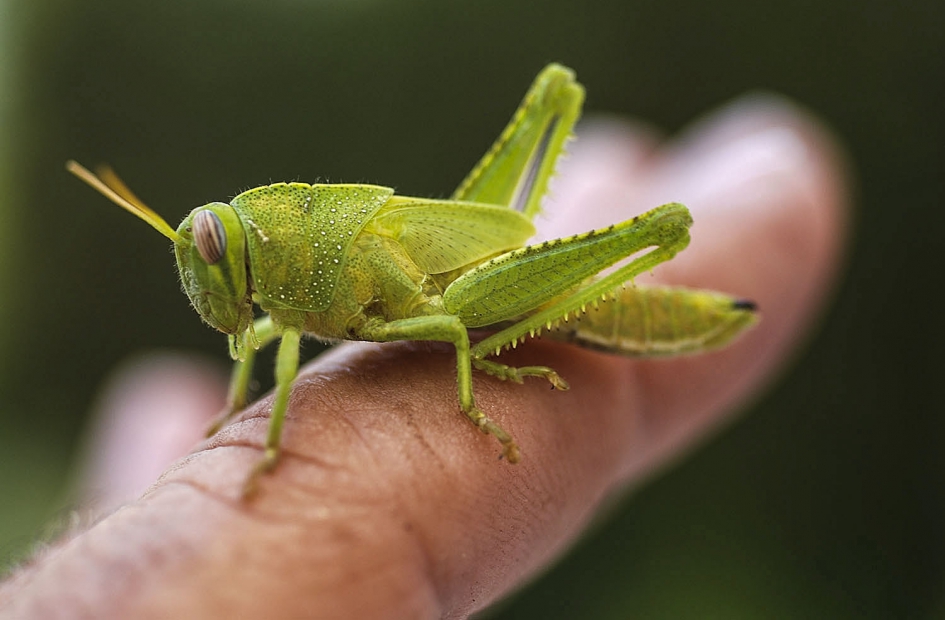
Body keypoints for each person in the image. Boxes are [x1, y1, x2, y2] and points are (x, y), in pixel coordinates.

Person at [0, 97, 847, 618]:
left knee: (623, 235)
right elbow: (262, 341)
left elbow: (440, 329)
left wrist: (475, 397)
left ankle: (610, 282)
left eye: (210, 248)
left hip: (473, 298)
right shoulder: (278, 296)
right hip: (458, 293)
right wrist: (233, 412)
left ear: (257, 238)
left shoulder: (301, 265)